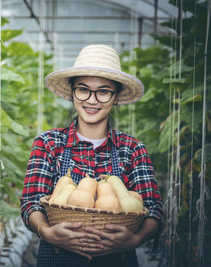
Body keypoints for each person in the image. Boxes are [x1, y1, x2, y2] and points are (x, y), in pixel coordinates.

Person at [20, 44, 164, 266]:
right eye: (83, 89)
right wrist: (46, 232)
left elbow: (154, 209)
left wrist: (135, 239)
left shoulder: (132, 149)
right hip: (57, 259)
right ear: (72, 92)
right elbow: (31, 202)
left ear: (116, 97)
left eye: (104, 91)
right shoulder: (48, 143)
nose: (92, 100)